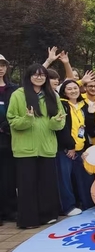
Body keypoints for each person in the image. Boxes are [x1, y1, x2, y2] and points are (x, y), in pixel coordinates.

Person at [7, 64, 66, 229]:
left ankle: (48, 215)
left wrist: (56, 121)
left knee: (47, 184)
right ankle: (28, 220)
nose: (39, 77)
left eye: (42, 75)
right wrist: (27, 119)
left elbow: (60, 122)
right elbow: (12, 120)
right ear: (29, 76)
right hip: (25, 149)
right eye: (35, 74)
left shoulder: (52, 95)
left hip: (47, 148)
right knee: (27, 186)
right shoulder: (18, 95)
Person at [56, 80, 95, 216]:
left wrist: (91, 114)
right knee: (65, 179)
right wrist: (70, 146)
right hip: (66, 149)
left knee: (85, 176)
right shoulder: (61, 105)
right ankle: (68, 207)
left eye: (75, 88)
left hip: (82, 148)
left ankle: (88, 204)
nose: (73, 91)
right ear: (64, 91)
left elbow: (90, 130)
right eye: (69, 89)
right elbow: (62, 128)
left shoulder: (84, 105)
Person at [0, 55, 18, 225]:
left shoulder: (13, 89)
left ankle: (11, 210)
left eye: (3, 65)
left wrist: (6, 125)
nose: (0, 68)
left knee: (9, 177)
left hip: (9, 138)